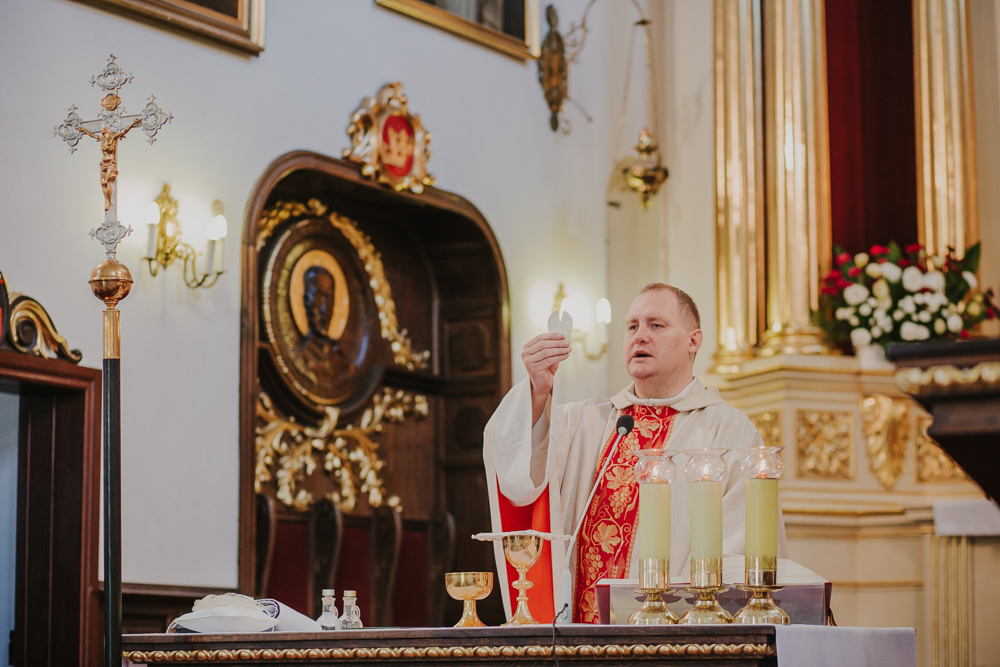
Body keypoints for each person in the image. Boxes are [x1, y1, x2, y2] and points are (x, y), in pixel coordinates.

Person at [483, 283, 788, 623]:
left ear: (694, 341)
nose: (640, 336)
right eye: (632, 326)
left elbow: (741, 547)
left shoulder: (727, 431)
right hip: (580, 637)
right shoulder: (590, 421)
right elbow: (516, 466)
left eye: (656, 325)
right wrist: (537, 392)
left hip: (675, 637)